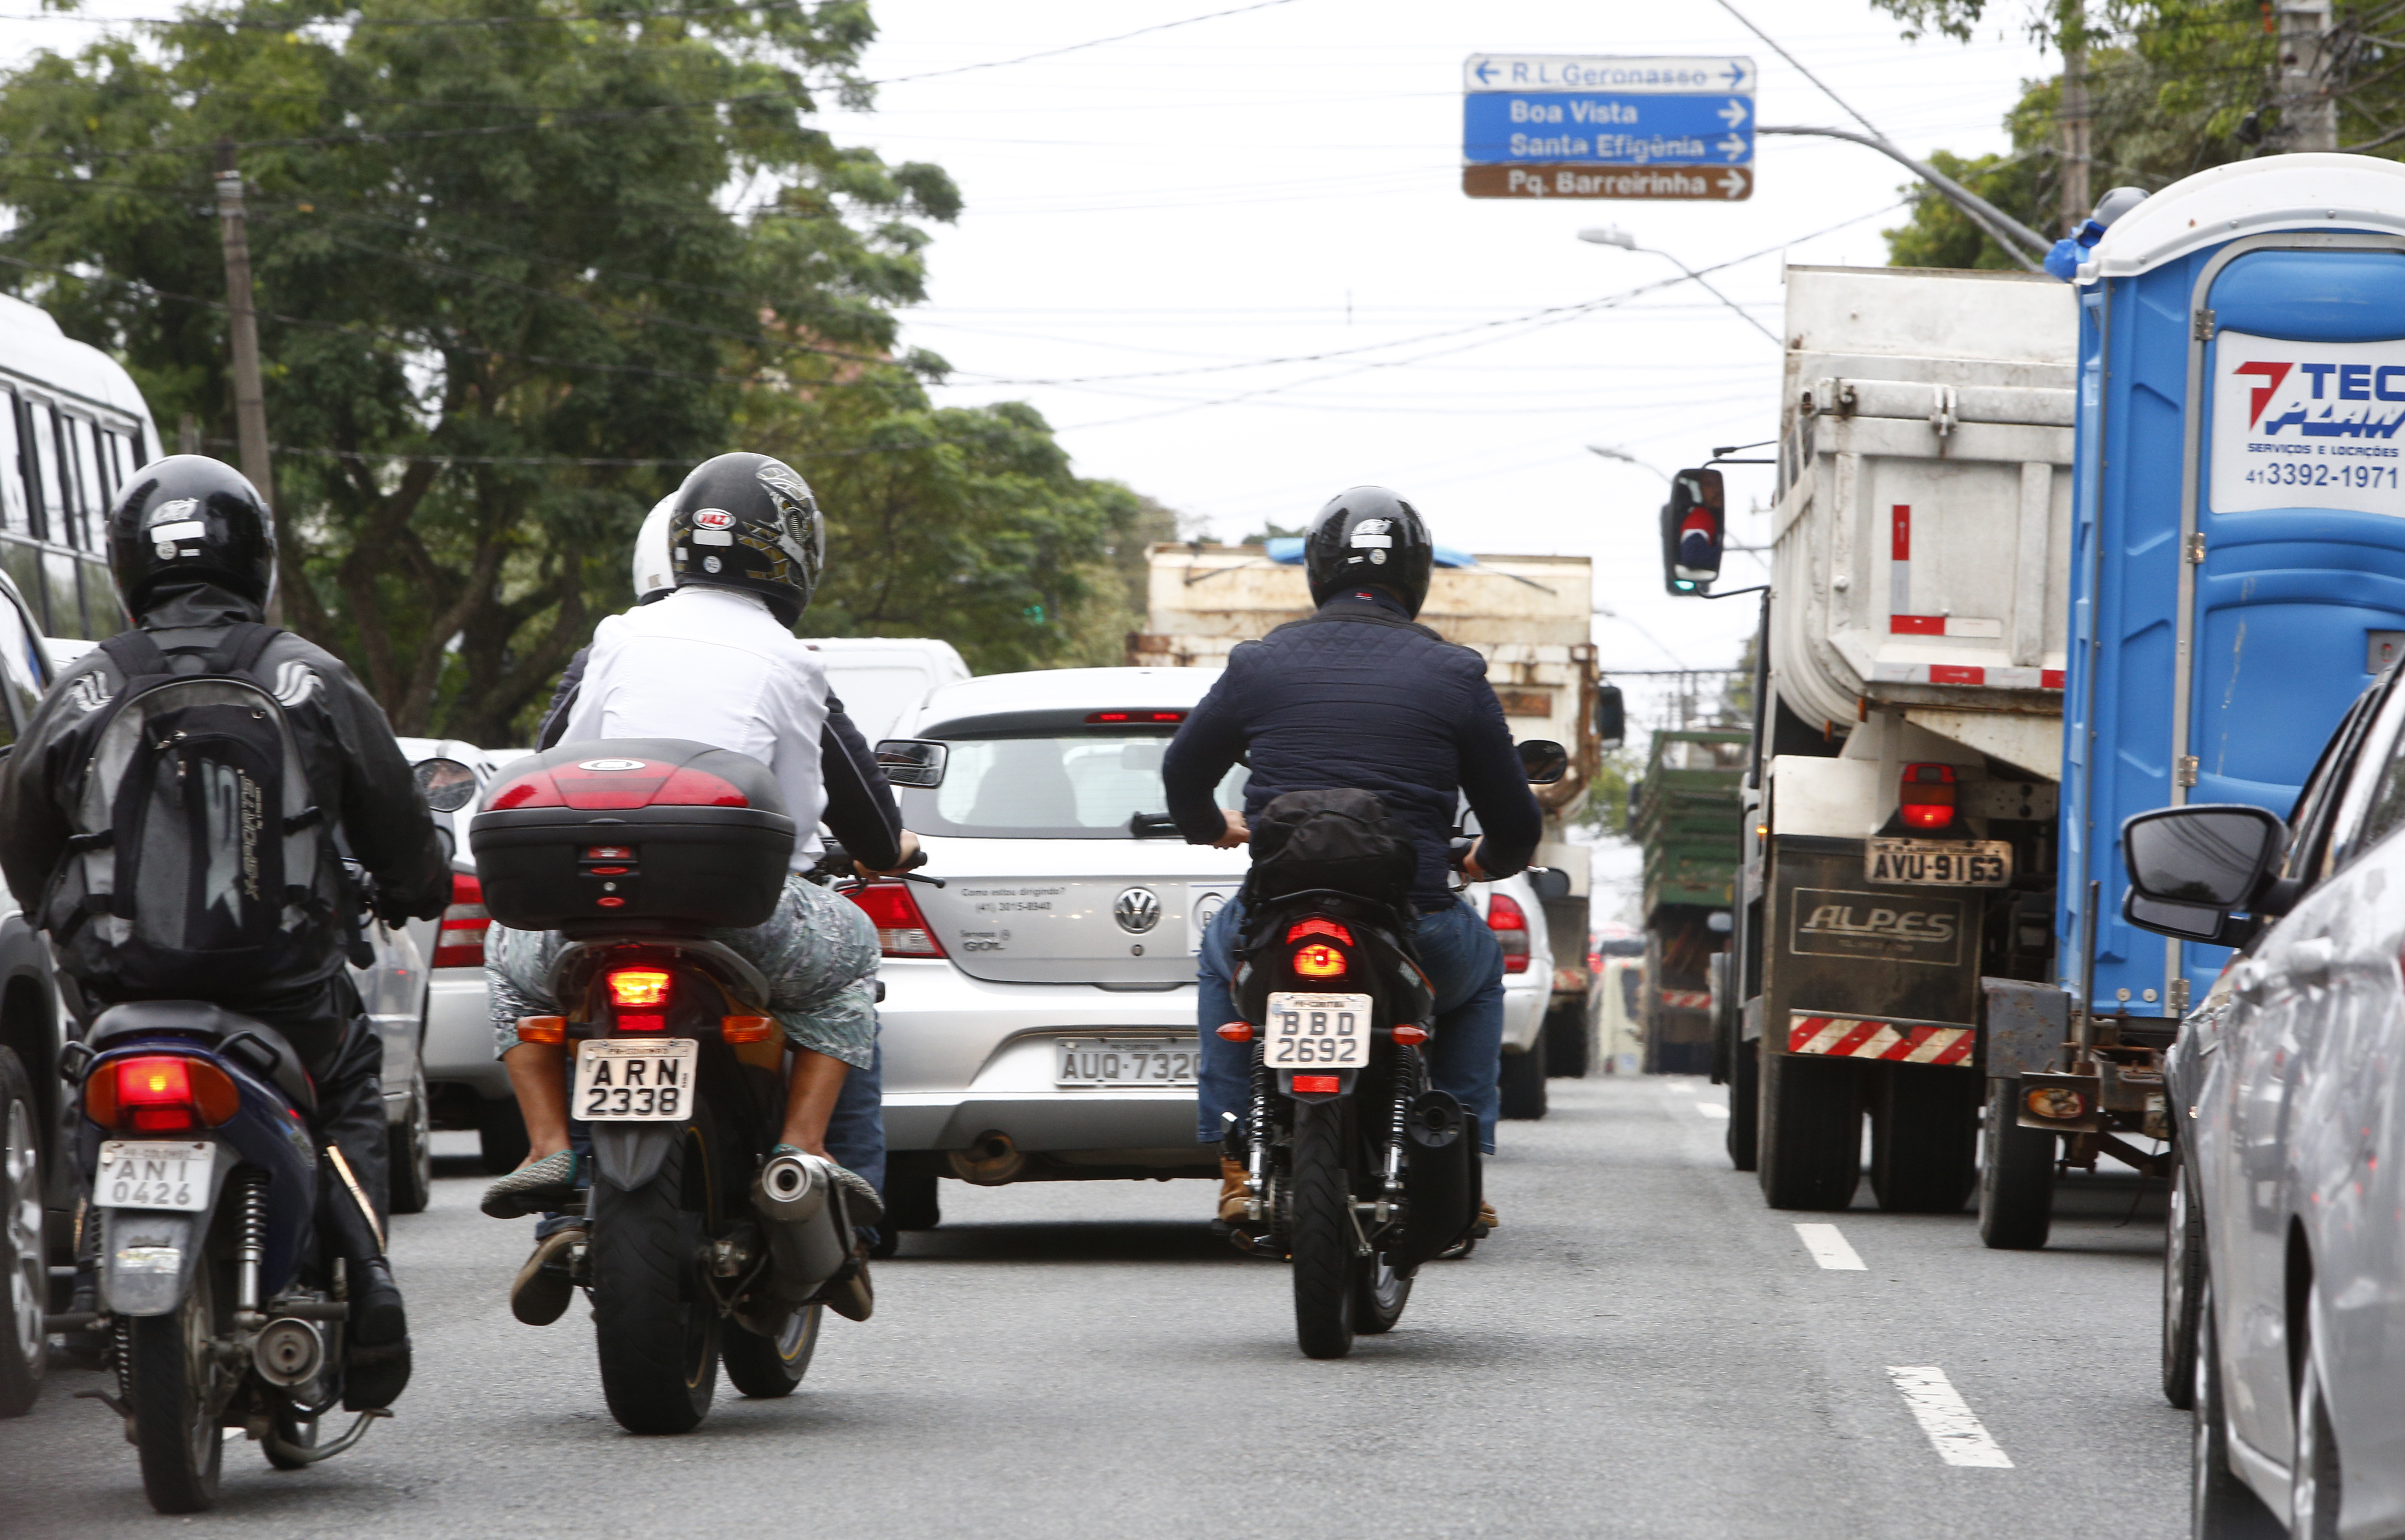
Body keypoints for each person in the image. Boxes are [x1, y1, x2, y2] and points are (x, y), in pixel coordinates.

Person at [0, 455, 451, 1409]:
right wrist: (413, 883)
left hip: (124, 989)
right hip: (285, 988)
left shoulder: (83, 688)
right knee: (351, 1082)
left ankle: (91, 1256)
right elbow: (401, 828)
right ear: (255, 559)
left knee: (90, 1089)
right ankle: (367, 1275)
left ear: (125, 565)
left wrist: (68, 931)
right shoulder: (306, 675)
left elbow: (24, 842)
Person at [477, 452, 918, 1321]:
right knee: (852, 957)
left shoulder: (615, 637)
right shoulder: (792, 662)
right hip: (746, 921)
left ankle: (551, 1150)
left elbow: (553, 754)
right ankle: (801, 1156)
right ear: (793, 550)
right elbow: (820, 808)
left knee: (506, 960)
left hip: (594, 916)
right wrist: (884, 847)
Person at [1161, 486, 1543, 1229]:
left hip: (1277, 917)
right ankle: (1455, 1150)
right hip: (1416, 920)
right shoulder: (1455, 674)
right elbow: (1515, 823)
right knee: (1483, 975)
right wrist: (1477, 865)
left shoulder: (1257, 664)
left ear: (1318, 570)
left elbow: (1182, 772)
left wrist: (1213, 827)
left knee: (1217, 959)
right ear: (1418, 577)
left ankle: (1238, 1157)